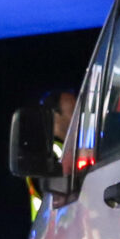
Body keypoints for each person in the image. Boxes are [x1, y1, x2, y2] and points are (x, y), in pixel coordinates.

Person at [26, 87, 77, 220]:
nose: (78, 116)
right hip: (50, 228)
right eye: (73, 110)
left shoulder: (72, 146)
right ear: (55, 115)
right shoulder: (42, 154)